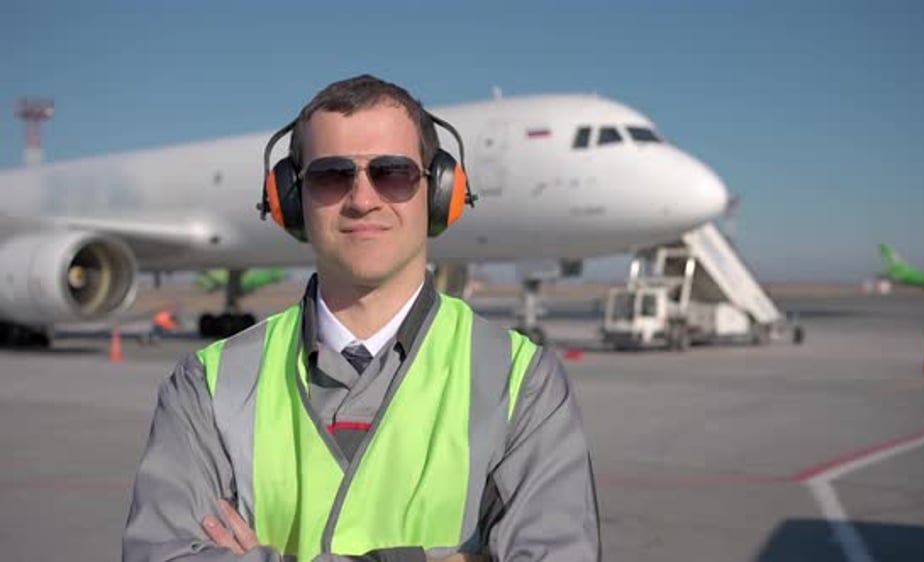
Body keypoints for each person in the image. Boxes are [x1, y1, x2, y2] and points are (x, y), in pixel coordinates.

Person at [123, 74, 600, 561]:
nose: (362, 199)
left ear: (440, 192)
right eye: (331, 176)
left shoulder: (523, 381)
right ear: (290, 199)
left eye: (393, 173)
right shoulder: (206, 383)